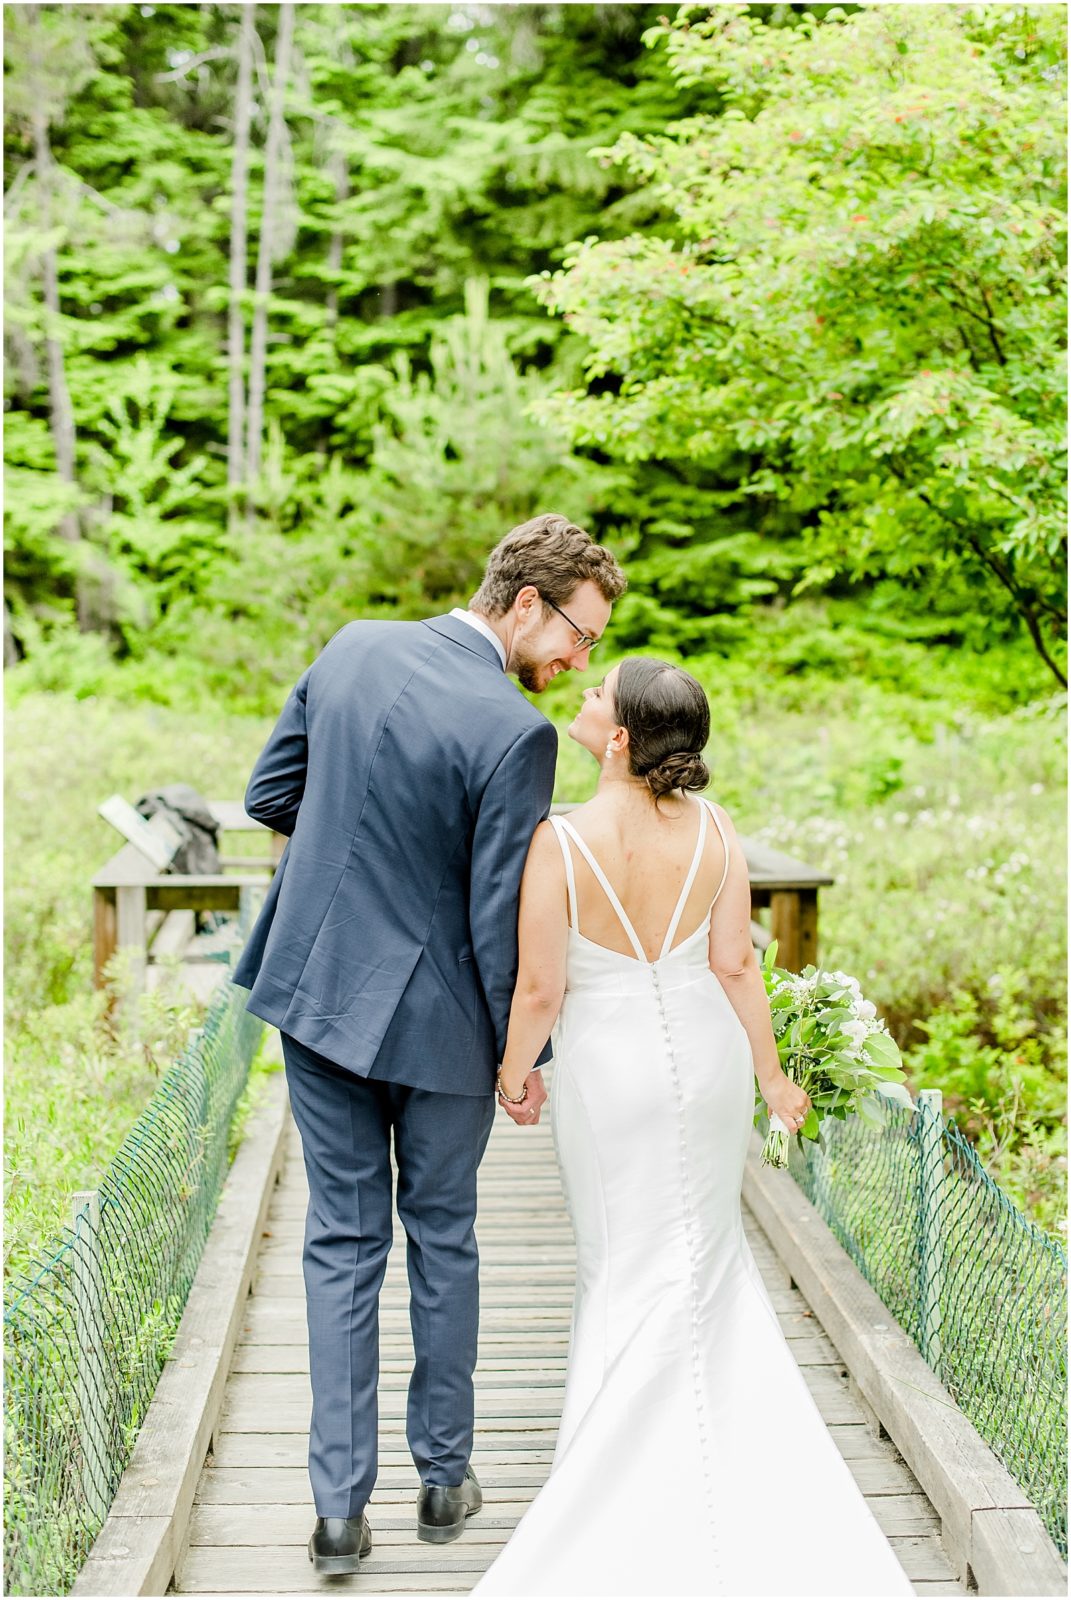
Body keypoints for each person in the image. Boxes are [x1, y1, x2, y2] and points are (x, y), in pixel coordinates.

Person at [232, 514, 626, 1575]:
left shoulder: (352, 645)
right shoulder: (514, 731)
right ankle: (445, 1481)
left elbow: (271, 795)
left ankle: (336, 1511)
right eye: (580, 636)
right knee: (443, 1237)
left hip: (316, 992)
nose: (580, 662)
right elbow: (502, 907)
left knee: (340, 1241)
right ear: (530, 601)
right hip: (445, 1023)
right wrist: (521, 1057)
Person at [475, 657, 915, 1597]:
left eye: (600, 697)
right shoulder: (718, 831)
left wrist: (513, 1075)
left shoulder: (558, 840)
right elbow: (735, 969)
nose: (584, 702)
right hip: (709, 1071)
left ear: (623, 738)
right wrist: (772, 1075)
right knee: (705, 1258)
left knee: (618, 1264)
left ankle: (603, 1473)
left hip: (606, 1076)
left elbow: (543, 987)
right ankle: (719, 1460)